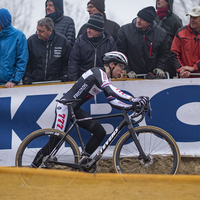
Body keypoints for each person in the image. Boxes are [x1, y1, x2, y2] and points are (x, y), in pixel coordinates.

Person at [30, 51, 149, 168]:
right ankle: (33, 167)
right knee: (54, 142)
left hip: (75, 109)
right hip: (65, 107)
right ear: (112, 64)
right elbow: (110, 90)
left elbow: (113, 101)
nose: (122, 71)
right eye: (121, 66)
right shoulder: (98, 72)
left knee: (100, 132)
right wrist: (133, 99)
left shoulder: (106, 79)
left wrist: (131, 106)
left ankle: (83, 161)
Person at [117, 6, 168, 79]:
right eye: (138, 17)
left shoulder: (161, 33)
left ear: (149, 22)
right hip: (132, 76)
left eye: (142, 20)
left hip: (152, 77)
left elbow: (163, 54)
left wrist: (159, 67)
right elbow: (121, 53)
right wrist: (127, 70)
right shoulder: (124, 31)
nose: (138, 21)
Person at [68, 13, 117, 81]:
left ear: (99, 30)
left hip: (103, 81)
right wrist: (74, 82)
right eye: (87, 28)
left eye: (91, 28)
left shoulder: (109, 42)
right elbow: (73, 63)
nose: (88, 31)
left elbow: (114, 64)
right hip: (83, 81)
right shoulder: (80, 41)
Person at [23, 17, 71, 84]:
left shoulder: (62, 41)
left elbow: (67, 62)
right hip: (35, 83)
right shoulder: (31, 41)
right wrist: (26, 76)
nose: (38, 33)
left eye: (41, 31)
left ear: (50, 31)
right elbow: (26, 62)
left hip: (56, 83)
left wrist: (66, 75)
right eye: (37, 30)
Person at [0, 8, 28, 88]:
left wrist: (14, 80)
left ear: (3, 21)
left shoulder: (19, 36)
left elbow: (22, 61)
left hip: (10, 85)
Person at [170, 6, 200, 78]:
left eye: (195, 18)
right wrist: (181, 70)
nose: (192, 20)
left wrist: (194, 68)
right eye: (191, 17)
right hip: (184, 78)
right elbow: (174, 53)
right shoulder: (181, 32)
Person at [155, 0, 182, 78]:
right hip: (152, 62)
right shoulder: (151, 18)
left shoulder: (175, 20)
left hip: (168, 64)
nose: (158, 0)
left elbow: (180, 44)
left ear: (168, 2)